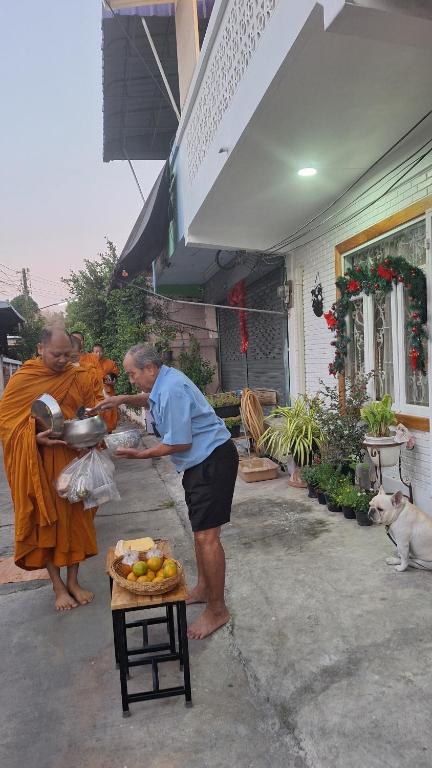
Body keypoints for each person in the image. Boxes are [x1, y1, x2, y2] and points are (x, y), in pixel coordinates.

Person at [94, 345, 239, 640]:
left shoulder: (171, 389)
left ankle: (217, 610)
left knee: (207, 538)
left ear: (149, 368)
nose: (131, 380)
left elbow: (179, 444)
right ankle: (203, 589)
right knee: (200, 531)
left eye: (133, 374)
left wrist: (139, 455)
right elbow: (149, 398)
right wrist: (122, 398)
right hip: (201, 462)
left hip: (211, 461)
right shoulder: (164, 381)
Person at [0, 328, 103, 611]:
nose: (61, 360)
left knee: (76, 521)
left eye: (67, 355)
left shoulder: (76, 375)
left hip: (73, 461)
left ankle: (73, 581)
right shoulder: (23, 379)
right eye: (56, 354)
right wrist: (33, 438)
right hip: (40, 464)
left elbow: (87, 411)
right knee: (47, 522)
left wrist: (89, 433)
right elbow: (7, 425)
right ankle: (57, 587)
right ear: (40, 349)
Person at [92, 344, 120, 433]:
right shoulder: (88, 364)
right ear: (92, 352)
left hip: (108, 391)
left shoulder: (110, 363)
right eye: (96, 352)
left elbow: (114, 375)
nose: (98, 354)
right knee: (98, 413)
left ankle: (109, 431)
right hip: (95, 394)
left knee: (110, 413)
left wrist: (110, 380)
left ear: (103, 352)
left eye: (100, 351)